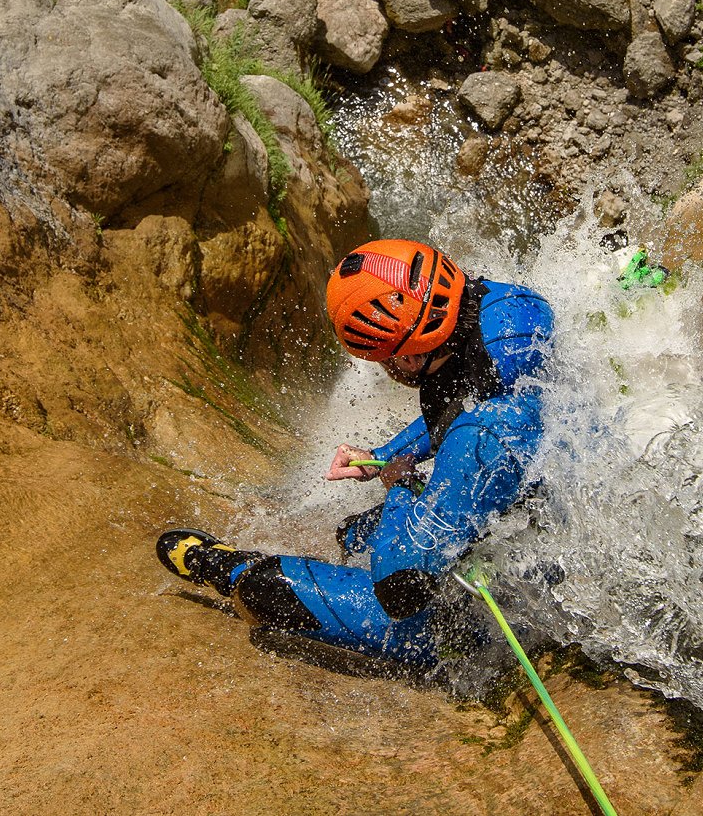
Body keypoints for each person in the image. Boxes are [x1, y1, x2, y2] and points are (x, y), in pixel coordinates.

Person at [157, 239, 555, 667]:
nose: (386, 369)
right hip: (535, 517)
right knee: (355, 533)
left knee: (268, 587)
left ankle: (228, 568)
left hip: (484, 616)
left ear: (413, 353)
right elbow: (461, 412)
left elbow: (401, 588)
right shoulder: (509, 311)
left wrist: (398, 486)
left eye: (388, 360)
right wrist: (382, 454)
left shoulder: (480, 438)